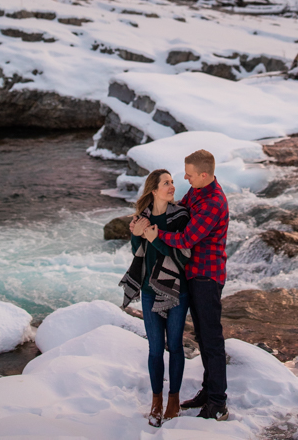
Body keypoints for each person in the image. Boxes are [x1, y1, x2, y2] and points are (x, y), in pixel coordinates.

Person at [145, 149, 229, 422]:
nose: (185, 178)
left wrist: (156, 234)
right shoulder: (197, 192)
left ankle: (218, 403)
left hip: (207, 276)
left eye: (190, 174)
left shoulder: (213, 202)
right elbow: (179, 207)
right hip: (192, 275)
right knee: (203, 338)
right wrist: (149, 214)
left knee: (212, 340)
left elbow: (186, 239)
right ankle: (208, 391)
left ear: (204, 175)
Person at [119, 169, 190, 427]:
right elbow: (137, 252)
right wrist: (135, 234)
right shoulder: (143, 217)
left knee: (175, 345)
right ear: (153, 189)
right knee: (155, 349)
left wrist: (156, 238)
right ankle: (156, 401)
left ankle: (174, 400)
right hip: (150, 292)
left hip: (177, 290)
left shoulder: (181, 216)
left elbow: (183, 257)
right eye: (166, 183)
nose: (172, 186)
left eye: (172, 182)